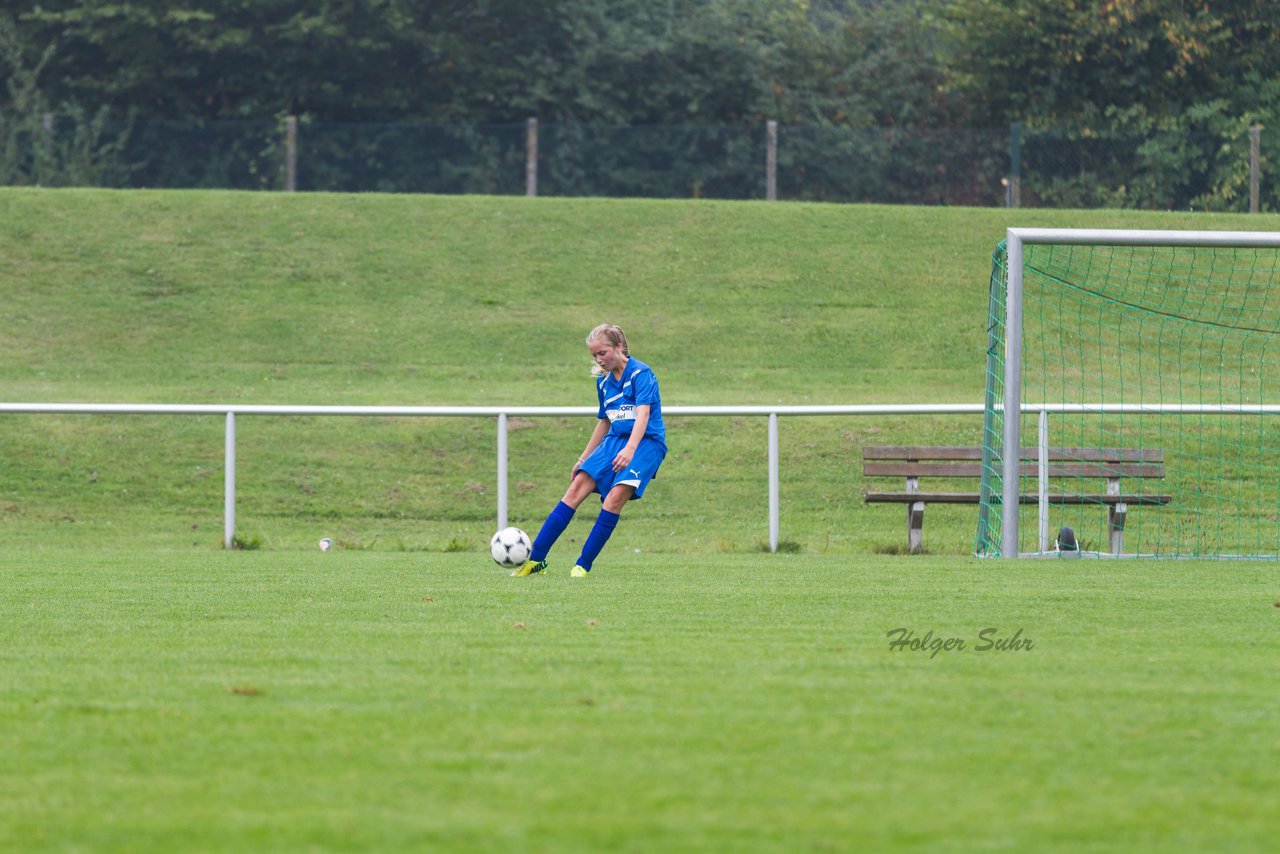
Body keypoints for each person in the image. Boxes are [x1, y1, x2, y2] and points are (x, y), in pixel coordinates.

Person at [513, 323, 666, 577]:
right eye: (594, 355)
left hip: (646, 443)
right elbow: (605, 422)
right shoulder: (604, 383)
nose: (599, 359)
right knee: (576, 486)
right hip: (615, 439)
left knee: (616, 496)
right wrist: (583, 458)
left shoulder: (641, 374)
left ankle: (582, 565)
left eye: (602, 353)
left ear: (618, 347)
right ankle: (536, 560)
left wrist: (630, 449)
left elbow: (644, 414)